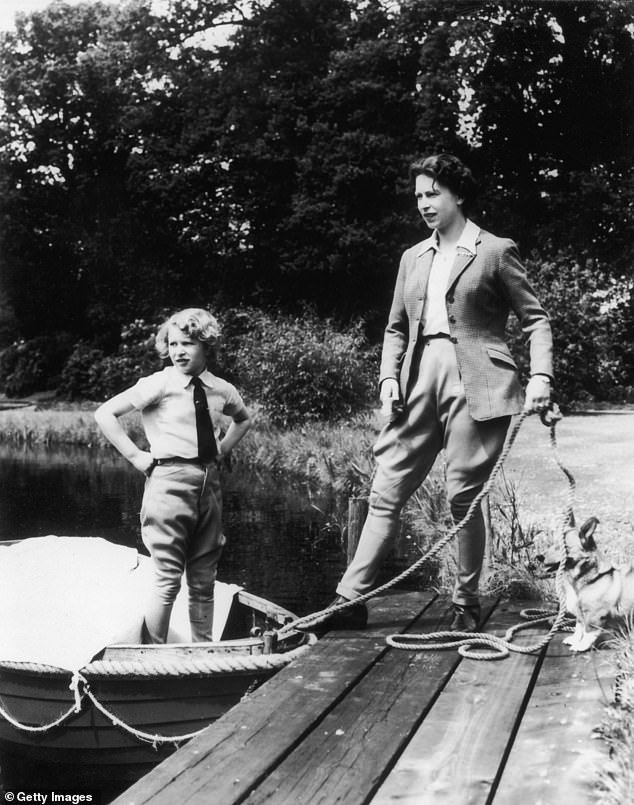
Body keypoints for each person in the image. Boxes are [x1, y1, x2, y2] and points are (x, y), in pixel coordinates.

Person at [314, 153, 553, 633]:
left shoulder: (495, 250)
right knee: (385, 489)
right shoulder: (413, 258)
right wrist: (387, 377)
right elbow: (396, 329)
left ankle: (466, 602)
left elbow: (536, 320)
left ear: (458, 194)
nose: (424, 203)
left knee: (463, 496)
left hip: (478, 383)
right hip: (418, 383)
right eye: (419, 195)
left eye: (433, 193)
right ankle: (350, 598)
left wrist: (542, 377)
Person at [94, 308, 251, 643]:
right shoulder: (159, 383)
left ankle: (203, 651)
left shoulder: (220, 388)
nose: (179, 350)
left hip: (209, 484)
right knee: (167, 578)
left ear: (207, 346)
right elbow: (105, 413)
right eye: (174, 343)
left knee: (203, 577)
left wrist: (221, 449)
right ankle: (154, 653)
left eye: (189, 343)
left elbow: (243, 419)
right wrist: (136, 455)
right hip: (167, 483)